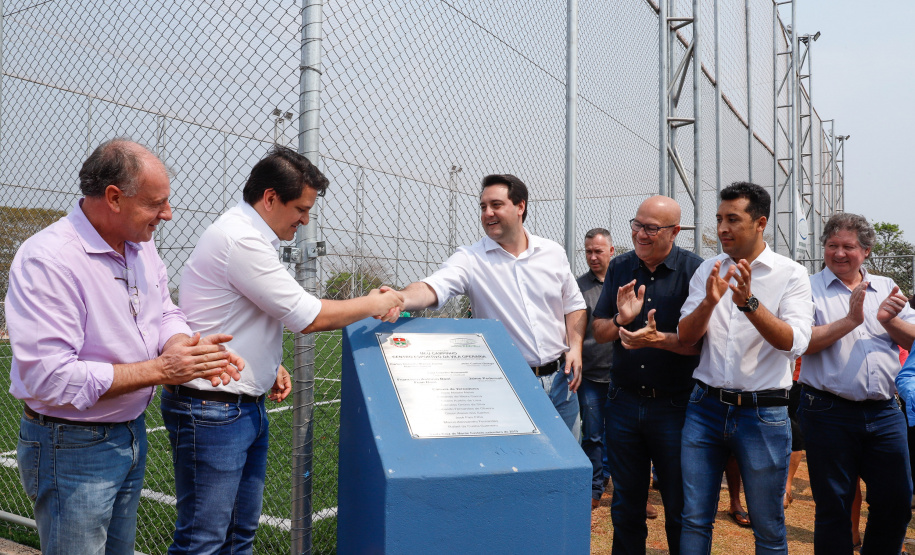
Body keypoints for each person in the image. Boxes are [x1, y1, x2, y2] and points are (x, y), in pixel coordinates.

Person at [6, 138, 243, 555]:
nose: (167, 214)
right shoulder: (50, 260)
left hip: (128, 434)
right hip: (72, 445)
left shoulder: (141, 247)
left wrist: (182, 348)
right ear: (114, 197)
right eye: (156, 203)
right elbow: (50, 377)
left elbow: (164, 310)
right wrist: (162, 371)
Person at [163, 145, 404, 555]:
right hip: (213, 408)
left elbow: (244, 313)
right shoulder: (241, 239)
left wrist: (268, 364)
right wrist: (375, 302)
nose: (305, 219)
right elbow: (307, 315)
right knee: (202, 542)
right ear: (270, 198)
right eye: (301, 207)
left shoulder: (251, 235)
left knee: (238, 537)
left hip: (235, 406)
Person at [388, 174, 587, 437]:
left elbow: (574, 305)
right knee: (519, 464)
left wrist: (576, 348)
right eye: (483, 207)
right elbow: (434, 286)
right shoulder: (471, 259)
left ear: (520, 207)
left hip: (563, 382)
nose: (487, 213)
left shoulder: (552, 253)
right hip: (509, 384)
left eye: (495, 204)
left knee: (569, 465)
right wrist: (400, 298)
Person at [677, 182, 814, 554]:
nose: (722, 227)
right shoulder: (709, 269)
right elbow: (687, 337)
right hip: (705, 409)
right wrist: (709, 302)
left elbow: (794, 342)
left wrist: (749, 303)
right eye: (719, 218)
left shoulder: (791, 274)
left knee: (768, 526)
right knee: (694, 518)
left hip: (763, 414)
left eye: (733, 219)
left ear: (760, 223)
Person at [591, 195, 703, 554]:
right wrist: (621, 320)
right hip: (623, 402)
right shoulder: (621, 267)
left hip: (675, 405)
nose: (641, 234)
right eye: (637, 225)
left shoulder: (694, 271)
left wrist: (655, 342)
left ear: (675, 231)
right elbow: (599, 331)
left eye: (651, 228)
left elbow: (701, 346)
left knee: (678, 502)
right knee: (626, 503)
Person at [801, 213, 915, 554]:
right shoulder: (807, 287)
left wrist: (889, 320)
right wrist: (851, 320)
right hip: (827, 410)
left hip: (883, 410)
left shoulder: (886, 286)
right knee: (834, 505)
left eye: (848, 246)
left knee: (897, 499)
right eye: (832, 245)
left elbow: (912, 340)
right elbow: (802, 342)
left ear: (865, 251)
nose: (839, 253)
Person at [576, 228, 615, 509]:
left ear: (611, 251)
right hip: (590, 373)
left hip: (622, 374)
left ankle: (628, 491)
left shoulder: (626, 281)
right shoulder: (578, 287)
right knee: (592, 434)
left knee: (622, 435)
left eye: (598, 251)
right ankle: (595, 487)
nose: (592, 257)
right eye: (588, 251)